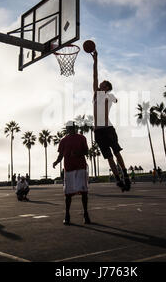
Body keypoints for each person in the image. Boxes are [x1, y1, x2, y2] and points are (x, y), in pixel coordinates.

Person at [90, 49, 130, 192]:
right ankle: (118, 178)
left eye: (103, 83)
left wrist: (113, 98)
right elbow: (94, 75)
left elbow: (115, 99)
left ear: (106, 87)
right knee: (108, 157)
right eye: (101, 83)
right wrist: (95, 61)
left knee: (116, 152)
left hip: (108, 129)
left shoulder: (108, 96)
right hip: (98, 131)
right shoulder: (96, 94)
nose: (100, 83)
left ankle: (125, 174)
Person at [53, 121, 91, 225]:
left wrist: (77, 153)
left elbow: (86, 151)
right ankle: (67, 215)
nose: (71, 129)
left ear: (74, 128)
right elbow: (61, 155)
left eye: (72, 128)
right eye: (69, 128)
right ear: (67, 129)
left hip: (80, 168)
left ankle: (85, 214)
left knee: (84, 192)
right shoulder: (63, 140)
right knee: (68, 194)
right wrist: (56, 162)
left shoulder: (81, 138)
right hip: (69, 169)